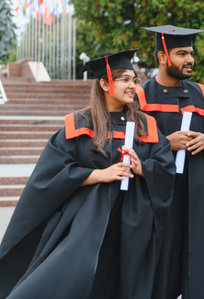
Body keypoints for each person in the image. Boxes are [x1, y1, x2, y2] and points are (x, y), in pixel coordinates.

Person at [0, 50, 175, 299]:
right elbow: (51, 174)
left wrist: (142, 167)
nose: (132, 86)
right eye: (124, 79)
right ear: (104, 83)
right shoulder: (80, 124)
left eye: (134, 80)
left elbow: (166, 168)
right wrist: (97, 175)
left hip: (135, 224)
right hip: (88, 222)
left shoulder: (147, 126)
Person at [135, 25, 204, 299]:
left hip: (198, 202)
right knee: (158, 277)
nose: (190, 60)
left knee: (202, 273)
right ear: (162, 57)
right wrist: (165, 144)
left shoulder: (202, 95)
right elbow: (126, 148)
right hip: (158, 203)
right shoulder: (140, 99)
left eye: (191, 53)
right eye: (182, 54)